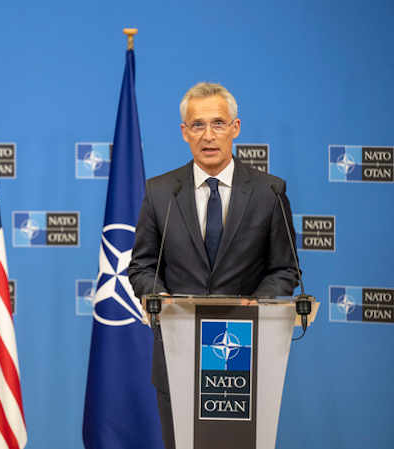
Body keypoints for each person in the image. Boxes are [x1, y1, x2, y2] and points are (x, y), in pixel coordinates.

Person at [127, 82, 299, 449]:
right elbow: (142, 266)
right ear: (184, 132)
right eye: (198, 125)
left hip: (245, 353)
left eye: (218, 124)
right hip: (177, 353)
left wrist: (256, 304)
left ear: (235, 128)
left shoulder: (270, 192)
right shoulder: (160, 192)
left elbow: (286, 269)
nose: (209, 135)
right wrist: (162, 299)